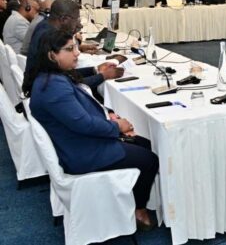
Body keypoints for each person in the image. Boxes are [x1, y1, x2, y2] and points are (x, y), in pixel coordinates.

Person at [24, 29, 158, 230]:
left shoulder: (50, 78)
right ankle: (139, 210)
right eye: (70, 49)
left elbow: (81, 110)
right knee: (150, 159)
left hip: (77, 141)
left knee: (144, 144)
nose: (77, 52)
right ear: (52, 55)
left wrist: (109, 116)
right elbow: (84, 124)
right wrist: (117, 127)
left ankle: (129, 199)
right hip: (83, 152)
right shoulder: (53, 87)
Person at [25, 0, 123, 93]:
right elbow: (70, 85)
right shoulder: (50, 37)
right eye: (76, 19)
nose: (78, 24)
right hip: (43, 92)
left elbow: (67, 75)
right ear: (64, 19)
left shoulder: (45, 24)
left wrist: (94, 69)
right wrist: (103, 76)